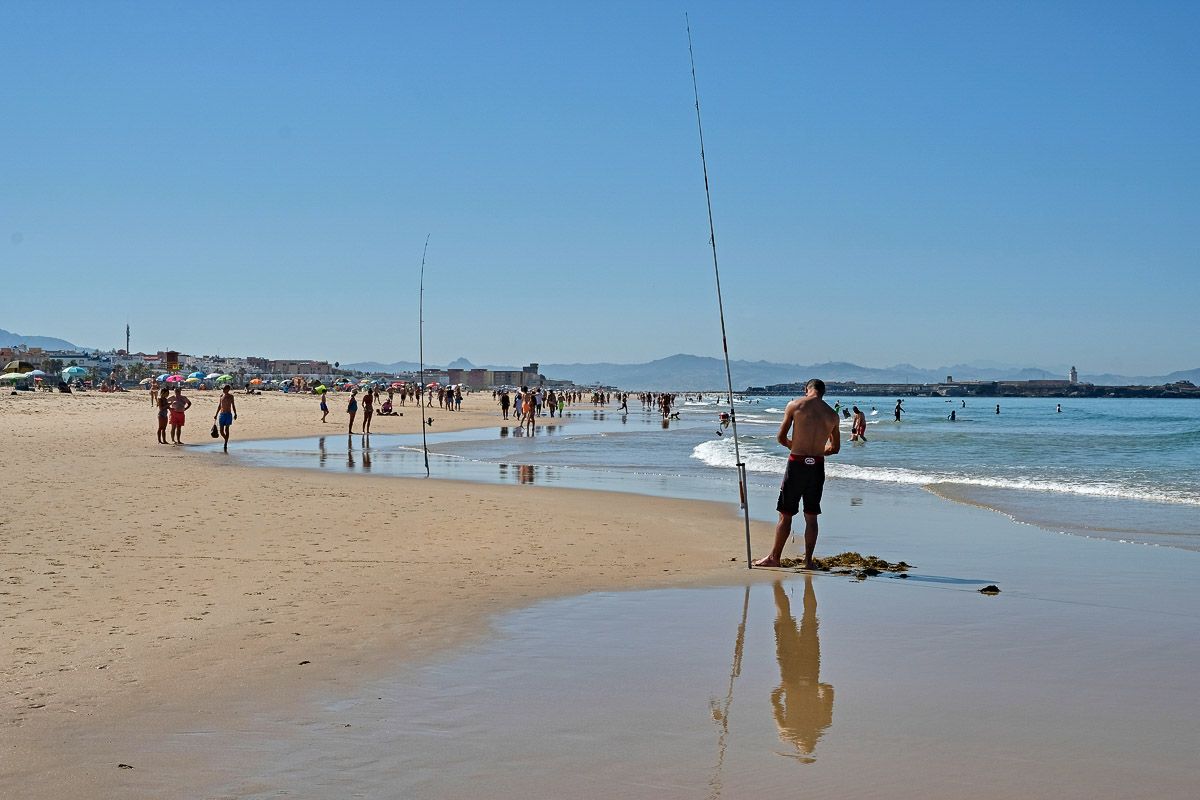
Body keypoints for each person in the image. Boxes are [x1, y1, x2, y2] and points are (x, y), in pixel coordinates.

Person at [754, 379, 840, 569]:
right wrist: (817, 451)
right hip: (817, 466)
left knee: (785, 514)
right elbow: (835, 448)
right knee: (811, 516)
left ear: (806, 389)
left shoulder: (795, 405)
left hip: (797, 464)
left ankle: (774, 558)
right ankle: (808, 561)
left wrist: (795, 446)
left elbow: (781, 437)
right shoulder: (832, 415)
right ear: (823, 392)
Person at [213, 385, 237, 452]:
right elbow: (219, 406)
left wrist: (235, 413)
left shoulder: (231, 396)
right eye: (223, 389)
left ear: (228, 389)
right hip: (222, 414)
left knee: (227, 429)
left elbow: (233, 405)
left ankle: (225, 443)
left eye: (224, 389)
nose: (223, 390)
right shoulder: (221, 396)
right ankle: (226, 439)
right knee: (221, 431)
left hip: (228, 414)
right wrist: (216, 414)